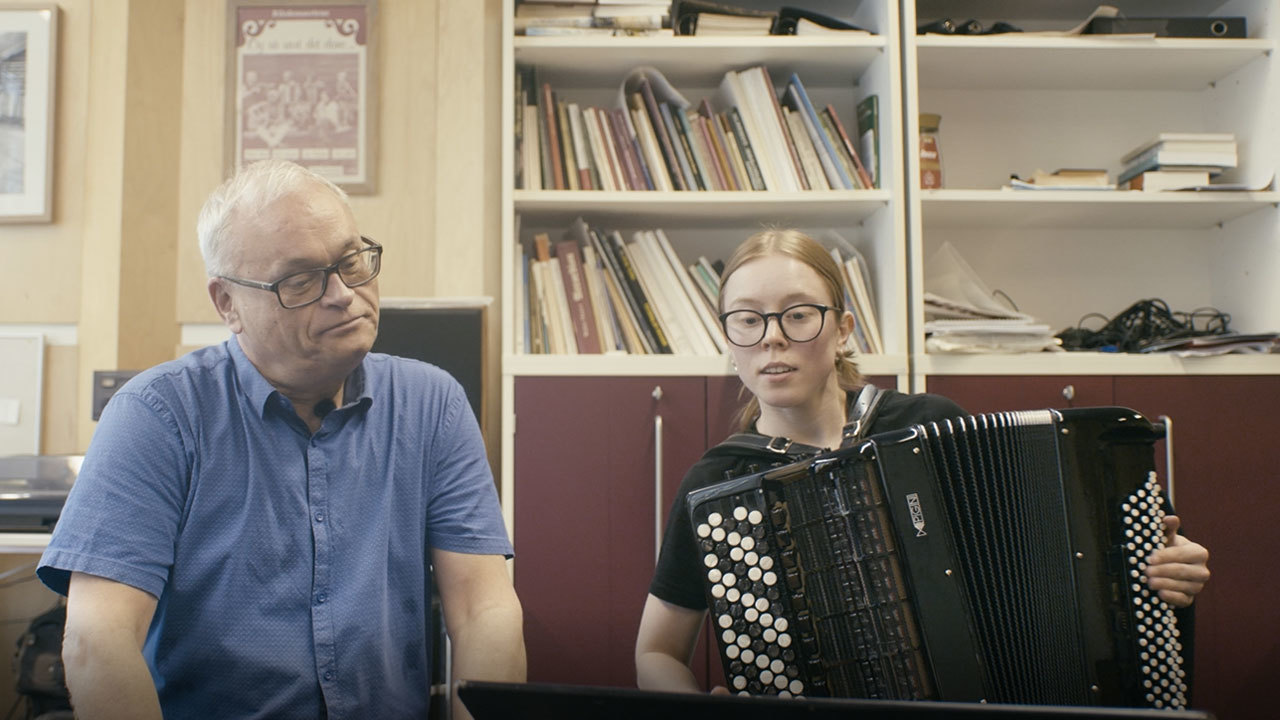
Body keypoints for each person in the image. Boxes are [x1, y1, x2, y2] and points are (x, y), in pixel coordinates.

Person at [37, 159, 525, 720]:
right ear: (227, 303)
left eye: (351, 262)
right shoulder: (157, 416)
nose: (343, 294)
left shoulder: (432, 404)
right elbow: (97, 643)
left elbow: (484, 610)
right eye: (300, 280)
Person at [635, 228, 1211, 693]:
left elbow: (1059, 553)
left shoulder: (929, 425)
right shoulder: (718, 482)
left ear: (842, 330)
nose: (771, 338)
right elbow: (656, 652)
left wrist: (1157, 565)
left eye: (798, 314)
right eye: (747, 318)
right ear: (728, 339)